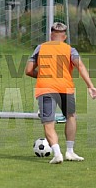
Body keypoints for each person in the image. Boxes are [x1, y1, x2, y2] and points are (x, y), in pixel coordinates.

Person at [25, 22, 96, 164]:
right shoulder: (70, 49)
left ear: (51, 35)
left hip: (45, 88)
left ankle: (57, 154)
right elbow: (80, 66)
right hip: (65, 88)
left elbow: (28, 70)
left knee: (48, 123)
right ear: (65, 36)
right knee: (71, 117)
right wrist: (90, 86)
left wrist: (43, 76)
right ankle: (70, 151)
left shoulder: (40, 48)